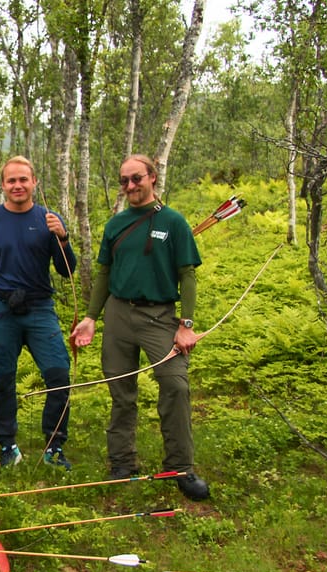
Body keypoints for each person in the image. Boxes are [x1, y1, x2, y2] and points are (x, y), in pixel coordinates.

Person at [70, 154, 209, 501]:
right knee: (120, 390)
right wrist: (91, 316)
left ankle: (180, 467)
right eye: (124, 181)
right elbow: (104, 273)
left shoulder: (174, 222)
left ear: (152, 178)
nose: (130, 186)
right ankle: (121, 462)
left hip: (160, 316)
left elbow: (187, 275)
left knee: (175, 384)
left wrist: (186, 325)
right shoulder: (115, 224)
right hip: (118, 314)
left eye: (136, 179)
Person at [0, 156, 77, 469]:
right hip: (1, 308)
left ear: (34, 183)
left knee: (58, 374)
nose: (17, 186)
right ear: (2, 184)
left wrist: (63, 237)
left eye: (23, 180)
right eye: (11, 180)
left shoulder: (48, 218)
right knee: (3, 379)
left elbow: (66, 269)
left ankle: (54, 447)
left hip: (40, 307)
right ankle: (7, 445)